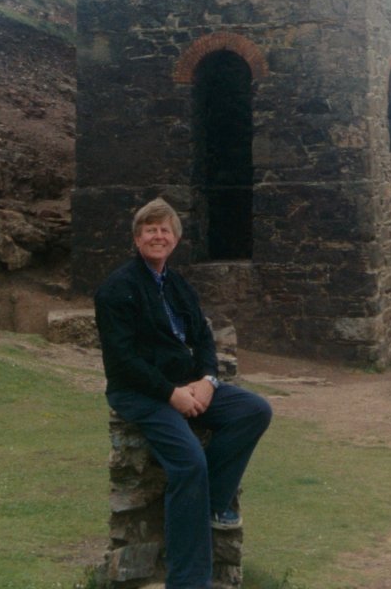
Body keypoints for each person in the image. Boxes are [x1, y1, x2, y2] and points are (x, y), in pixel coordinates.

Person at [94, 197, 272, 589]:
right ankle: (189, 581)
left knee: (254, 410)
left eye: (165, 230)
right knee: (189, 463)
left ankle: (208, 504)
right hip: (140, 393)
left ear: (175, 239)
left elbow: (204, 337)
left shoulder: (176, 285)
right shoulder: (117, 289)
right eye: (150, 229)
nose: (159, 236)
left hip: (185, 387)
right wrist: (171, 394)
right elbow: (122, 362)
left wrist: (207, 380)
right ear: (137, 237)